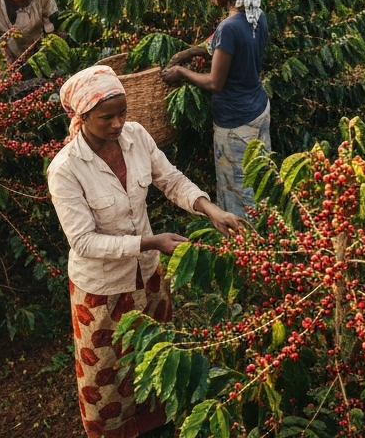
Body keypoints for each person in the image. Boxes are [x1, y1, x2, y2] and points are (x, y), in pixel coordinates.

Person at [48, 65, 243, 438]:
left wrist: (209, 208)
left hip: (148, 276)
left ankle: (154, 424)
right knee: (107, 370)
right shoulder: (66, 169)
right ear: (83, 116)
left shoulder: (136, 136)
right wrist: (150, 242)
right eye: (107, 117)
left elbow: (169, 179)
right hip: (102, 287)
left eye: (123, 112)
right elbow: (84, 242)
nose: (119, 123)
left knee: (154, 357)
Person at [161, 0, 270, 218]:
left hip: (235, 123)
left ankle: (243, 242)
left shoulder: (228, 27)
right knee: (260, 177)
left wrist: (181, 72)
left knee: (238, 189)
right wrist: (189, 53)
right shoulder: (256, 15)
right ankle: (267, 230)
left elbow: (214, 82)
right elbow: (218, 48)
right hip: (258, 109)